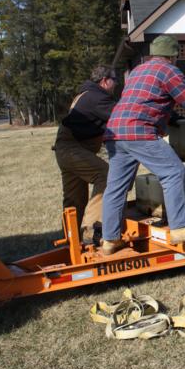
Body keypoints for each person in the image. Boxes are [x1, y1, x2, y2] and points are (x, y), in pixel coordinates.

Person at [100, 35, 185, 255]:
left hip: (115, 131)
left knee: (116, 188)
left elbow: (144, 99)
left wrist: (169, 115)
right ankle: (181, 227)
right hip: (139, 131)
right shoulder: (169, 70)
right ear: (173, 56)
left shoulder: (137, 71)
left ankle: (110, 239)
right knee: (174, 172)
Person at [53, 65, 117, 244]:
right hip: (73, 149)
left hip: (65, 150)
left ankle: (70, 241)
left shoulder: (85, 94)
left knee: (75, 199)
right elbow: (122, 115)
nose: (116, 84)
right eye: (114, 80)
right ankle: (92, 229)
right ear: (105, 81)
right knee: (105, 174)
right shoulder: (97, 98)